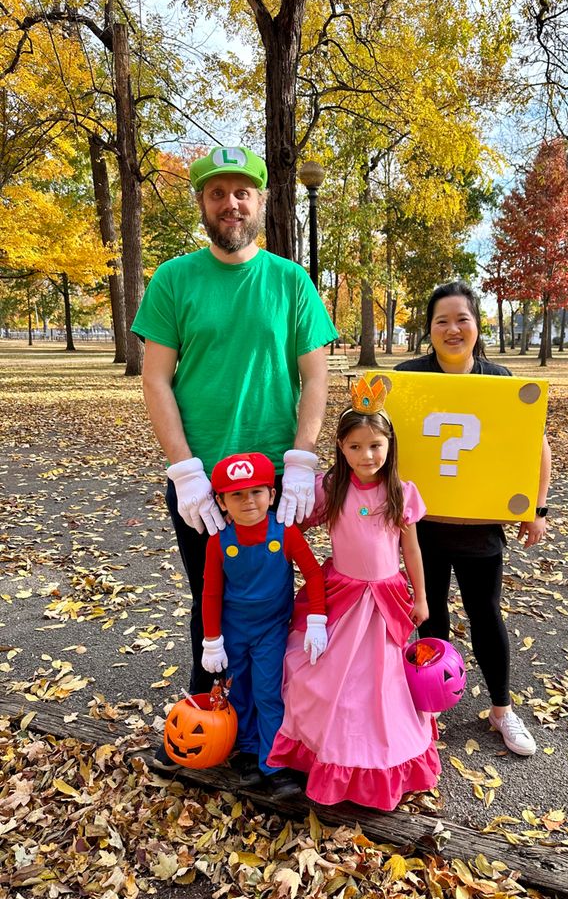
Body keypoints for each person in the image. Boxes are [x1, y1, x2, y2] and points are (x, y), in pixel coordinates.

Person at [131, 146, 338, 768]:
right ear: (201, 202)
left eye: (242, 191)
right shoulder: (173, 280)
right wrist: (185, 470)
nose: (231, 203)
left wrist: (302, 458)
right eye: (217, 192)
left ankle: (277, 733)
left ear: (263, 201)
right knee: (209, 595)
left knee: (277, 601)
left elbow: (316, 377)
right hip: (203, 481)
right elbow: (156, 379)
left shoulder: (290, 282)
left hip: (274, 481)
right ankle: (209, 717)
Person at [267, 379, 441, 810]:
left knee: (382, 685)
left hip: (386, 602)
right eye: (356, 446)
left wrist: (421, 597)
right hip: (341, 598)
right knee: (329, 677)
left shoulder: (402, 491)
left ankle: (383, 760)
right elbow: (296, 525)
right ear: (341, 449)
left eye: (376, 445)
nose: (367, 456)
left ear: (390, 445)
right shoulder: (331, 488)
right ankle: (327, 749)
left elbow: (411, 549)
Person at [395, 281, 551, 757]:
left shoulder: (499, 380)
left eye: (461, 318)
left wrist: (537, 508)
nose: (452, 328)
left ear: (477, 325)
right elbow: (379, 441)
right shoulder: (409, 379)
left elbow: (536, 447)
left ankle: (502, 709)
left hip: (479, 525)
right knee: (431, 613)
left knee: (485, 614)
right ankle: (432, 704)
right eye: (441, 320)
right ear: (429, 330)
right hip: (423, 527)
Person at [192, 452, 326, 799]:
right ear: (221, 502)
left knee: (268, 692)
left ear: (272, 494)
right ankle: (247, 753)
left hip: (270, 630)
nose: (248, 501)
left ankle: (274, 762)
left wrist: (317, 618)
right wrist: (212, 640)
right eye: (236, 495)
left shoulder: (285, 532)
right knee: (237, 691)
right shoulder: (218, 542)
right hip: (233, 631)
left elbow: (313, 573)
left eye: (256, 492)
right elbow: (210, 592)